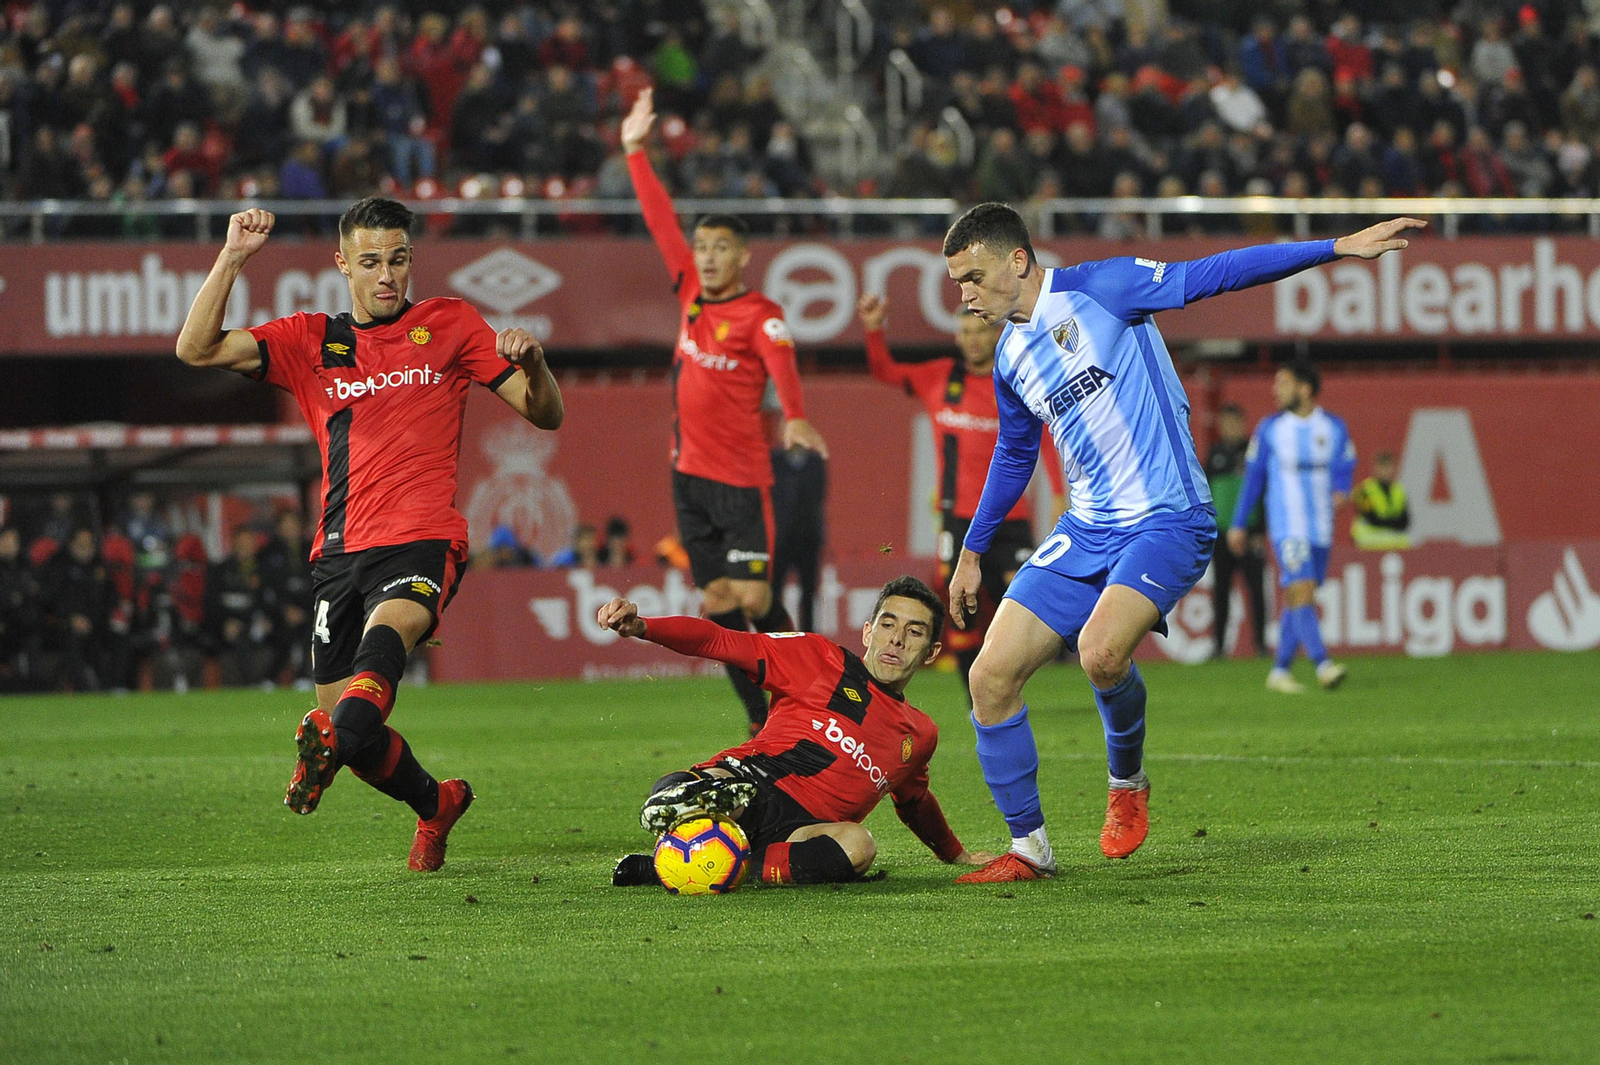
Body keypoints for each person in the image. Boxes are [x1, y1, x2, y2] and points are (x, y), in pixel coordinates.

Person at [941, 202, 1422, 882]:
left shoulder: (1103, 288)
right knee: (988, 678)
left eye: (971, 276)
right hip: (1087, 527)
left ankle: (1128, 780)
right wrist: (970, 551)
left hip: (1169, 515)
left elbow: (1217, 273)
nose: (963, 295)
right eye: (956, 281)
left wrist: (1336, 246)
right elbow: (1014, 455)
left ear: (1017, 260)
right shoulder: (1011, 358)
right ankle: (1030, 850)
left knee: (1101, 652)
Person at [175, 197, 564, 871]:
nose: (388, 275)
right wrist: (233, 257)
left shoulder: (449, 324)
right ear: (343, 264)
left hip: (424, 538)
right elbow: (194, 347)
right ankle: (436, 803)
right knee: (352, 735)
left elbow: (544, 414)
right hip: (337, 553)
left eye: (399, 259)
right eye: (372, 262)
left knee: (391, 632)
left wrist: (536, 365)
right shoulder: (308, 339)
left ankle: (322, 760)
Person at [620, 87, 829, 737]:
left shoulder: (761, 315)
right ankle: (763, 716)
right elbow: (660, 222)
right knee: (716, 605)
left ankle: (814, 683)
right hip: (689, 480)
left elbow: (782, 364)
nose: (706, 257)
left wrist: (794, 414)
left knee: (757, 601)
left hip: (741, 481)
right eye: (702, 247)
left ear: (741, 257)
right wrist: (634, 150)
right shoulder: (688, 290)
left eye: (718, 249)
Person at [601, 576, 996, 887]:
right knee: (707, 791)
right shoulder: (816, 656)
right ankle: (686, 812)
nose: (896, 639)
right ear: (867, 632)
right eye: (888, 624)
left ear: (930, 652)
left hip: (801, 833)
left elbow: (915, 802)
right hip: (749, 785)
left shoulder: (919, 734)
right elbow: (719, 640)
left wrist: (954, 855)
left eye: (914, 632)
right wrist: (644, 626)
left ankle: (695, 864)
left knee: (860, 846)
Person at [857, 292, 1065, 699]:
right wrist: (873, 328)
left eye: (978, 330)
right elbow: (883, 370)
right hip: (958, 519)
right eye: (964, 331)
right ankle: (978, 693)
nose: (971, 338)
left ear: (995, 332)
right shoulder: (938, 377)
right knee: (961, 607)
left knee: (1029, 597)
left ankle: (1021, 672)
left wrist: (1059, 495)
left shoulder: (1014, 380)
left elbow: (1044, 438)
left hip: (1011, 518)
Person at [1229, 363, 1354, 694]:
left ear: (1305, 389)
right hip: (1287, 525)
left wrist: (1342, 490)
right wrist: (1239, 523)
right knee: (1301, 588)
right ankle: (1323, 665)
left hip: (1321, 527)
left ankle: (1280, 670)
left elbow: (1345, 468)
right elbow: (1254, 479)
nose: (1275, 390)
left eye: (1283, 383)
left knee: (1299, 596)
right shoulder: (1270, 429)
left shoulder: (1334, 427)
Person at [1206, 403, 1268, 658]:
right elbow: (1206, 493)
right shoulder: (1214, 454)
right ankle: (1219, 646)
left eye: (1235, 423)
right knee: (1220, 592)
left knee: (1256, 590)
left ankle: (1261, 644)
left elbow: (1263, 493)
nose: (1230, 428)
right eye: (1226, 423)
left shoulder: (1252, 453)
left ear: (1242, 425)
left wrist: (1259, 532)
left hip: (1248, 533)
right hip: (1221, 534)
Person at [1351, 450, 1411, 550]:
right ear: (1376, 468)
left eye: (1389, 466)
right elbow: (1372, 518)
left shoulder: (1399, 491)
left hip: (1392, 539)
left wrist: (1389, 522)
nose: (1387, 471)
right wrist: (1393, 522)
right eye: (1383, 466)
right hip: (1369, 539)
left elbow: (1405, 521)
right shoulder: (1365, 490)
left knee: (1405, 541)